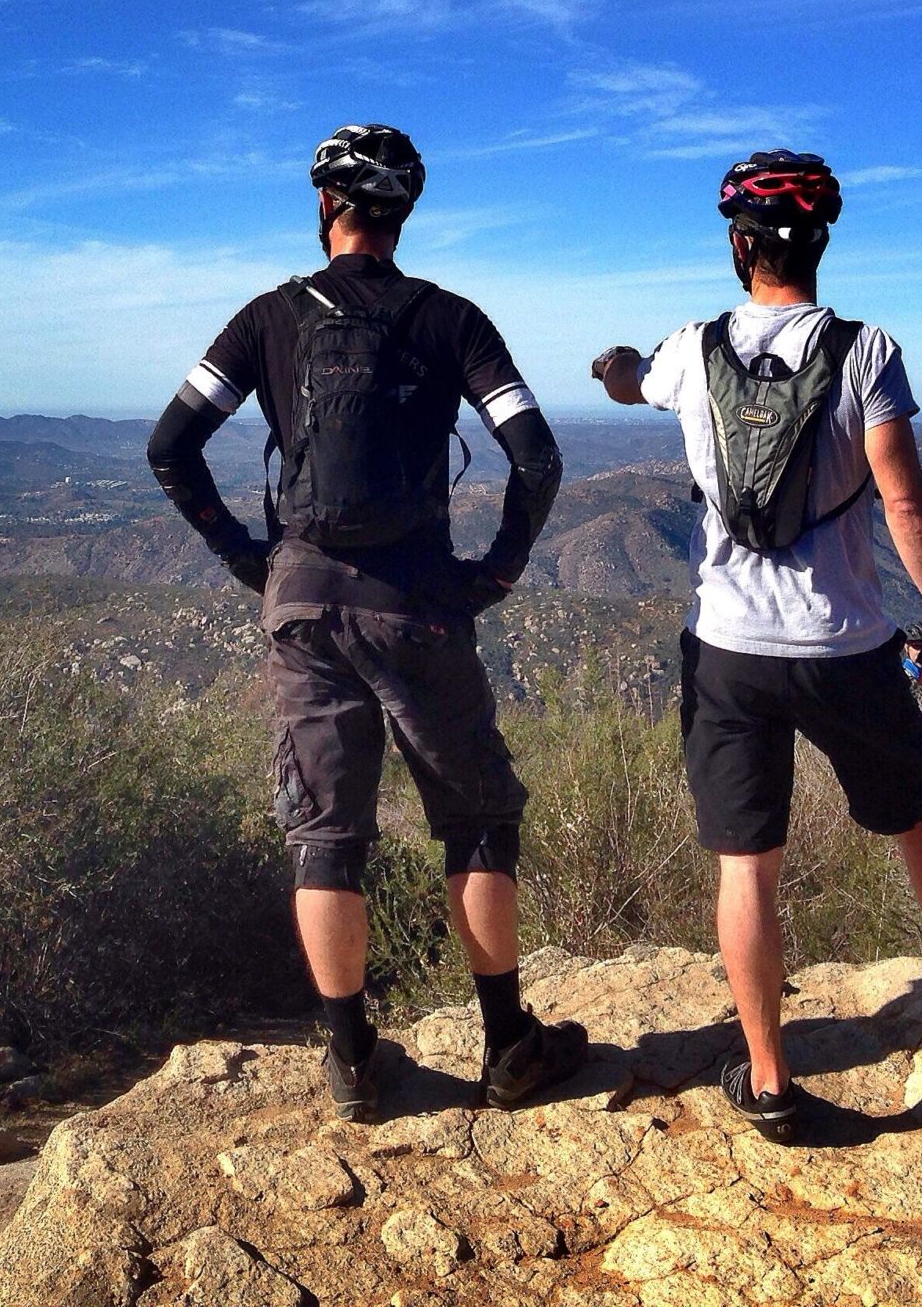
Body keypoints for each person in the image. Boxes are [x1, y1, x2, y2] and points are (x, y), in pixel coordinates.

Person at [589, 149, 922, 1144]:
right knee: (916, 823)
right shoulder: (866, 352)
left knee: (746, 866)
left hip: (727, 650)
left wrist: (617, 367)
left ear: (736, 245)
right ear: (822, 244)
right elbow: (902, 498)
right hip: (846, 643)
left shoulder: (690, 346)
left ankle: (767, 1080)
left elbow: (635, 385)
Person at [147, 122, 588, 1123]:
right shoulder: (451, 320)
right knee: (474, 820)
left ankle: (349, 1061)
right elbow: (539, 459)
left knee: (327, 832)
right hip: (420, 602)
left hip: (301, 599)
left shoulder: (266, 318)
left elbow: (171, 445)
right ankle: (509, 1043)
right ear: (404, 214)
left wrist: (247, 560)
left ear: (323, 209)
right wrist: (500, 570)